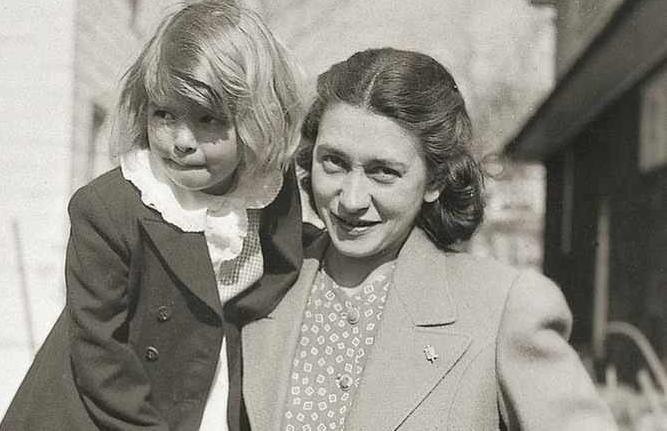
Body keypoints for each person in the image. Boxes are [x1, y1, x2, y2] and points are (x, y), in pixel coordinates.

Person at [241, 48, 618, 430]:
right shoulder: (257, 277)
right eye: (334, 162)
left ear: (435, 181)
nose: (351, 199)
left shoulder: (504, 307)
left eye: (383, 172)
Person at [1, 0, 305, 430]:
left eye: (208, 119)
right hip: (100, 410)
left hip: (201, 387)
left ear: (256, 122)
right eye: (164, 114)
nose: (181, 140)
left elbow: (283, 269)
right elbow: (101, 356)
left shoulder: (267, 194)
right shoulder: (109, 210)